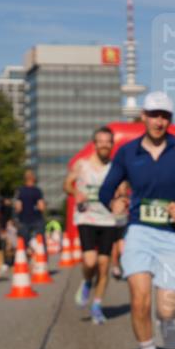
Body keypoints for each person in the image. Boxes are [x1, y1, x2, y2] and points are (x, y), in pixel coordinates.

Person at [99, 91, 175, 349]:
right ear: (143, 116)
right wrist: (113, 203)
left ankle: (167, 323)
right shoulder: (127, 152)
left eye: (164, 116)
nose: (159, 121)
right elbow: (106, 190)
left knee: (166, 308)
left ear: (170, 119)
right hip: (139, 232)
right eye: (154, 115)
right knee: (139, 300)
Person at [64, 126, 127, 325]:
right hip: (87, 218)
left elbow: (123, 190)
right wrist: (76, 193)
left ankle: (97, 306)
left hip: (108, 220)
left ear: (112, 144)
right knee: (90, 262)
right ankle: (86, 281)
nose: (104, 145)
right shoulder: (82, 165)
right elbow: (67, 184)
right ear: (94, 144)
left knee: (104, 264)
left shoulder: (116, 168)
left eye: (108, 142)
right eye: (101, 142)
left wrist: (121, 198)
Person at [14, 169, 46, 256]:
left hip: (24, 220)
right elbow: (41, 207)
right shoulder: (37, 191)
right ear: (33, 178)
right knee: (40, 241)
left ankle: (26, 257)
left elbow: (18, 208)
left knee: (24, 243)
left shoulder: (20, 191)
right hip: (37, 219)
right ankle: (42, 259)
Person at [0, 197, 16, 271]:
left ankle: (8, 262)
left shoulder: (10, 209)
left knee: (10, 246)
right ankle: (8, 262)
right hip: (6, 228)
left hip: (9, 228)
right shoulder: (3, 208)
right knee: (7, 246)